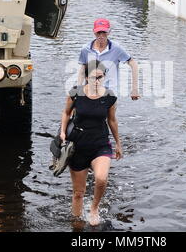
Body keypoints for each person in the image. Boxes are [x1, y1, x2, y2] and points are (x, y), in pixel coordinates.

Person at [60, 60, 122, 226]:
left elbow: (112, 120)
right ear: (86, 77)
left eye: (100, 77)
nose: (97, 81)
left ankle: (94, 207)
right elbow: (66, 113)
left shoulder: (110, 97)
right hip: (78, 145)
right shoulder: (75, 93)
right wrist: (62, 132)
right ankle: (77, 224)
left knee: (101, 178)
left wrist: (118, 143)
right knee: (78, 193)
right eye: (94, 77)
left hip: (100, 144)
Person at [78, 19, 140, 100]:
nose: (101, 35)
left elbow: (133, 63)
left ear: (109, 32)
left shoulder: (116, 48)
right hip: (90, 92)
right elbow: (83, 69)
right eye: (98, 32)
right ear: (94, 32)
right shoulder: (85, 49)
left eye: (104, 32)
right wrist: (78, 89)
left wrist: (134, 89)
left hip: (110, 93)